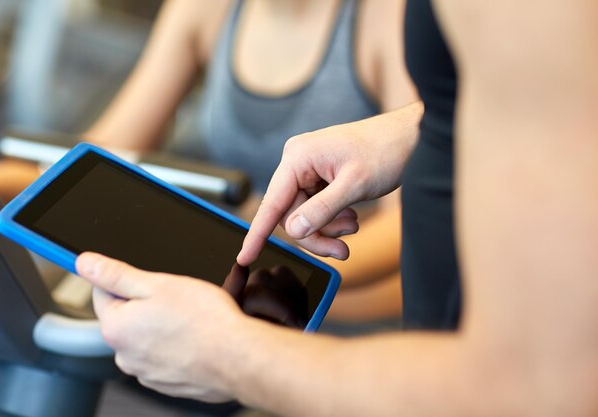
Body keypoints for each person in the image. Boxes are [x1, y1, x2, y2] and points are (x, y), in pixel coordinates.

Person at [75, 0, 598, 415]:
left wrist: (231, 355)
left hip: (385, 338)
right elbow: (513, 93)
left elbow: (545, 391)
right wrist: (412, 130)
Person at [0, 0, 416, 322]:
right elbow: (102, 153)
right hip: (238, 278)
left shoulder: (386, 20)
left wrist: (273, 271)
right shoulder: (206, 8)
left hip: (346, 292)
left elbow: (409, 227)